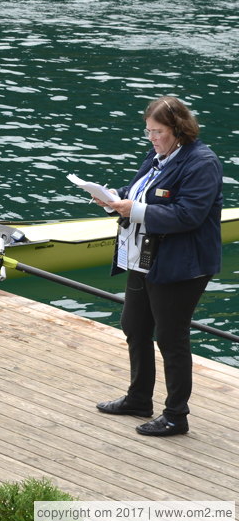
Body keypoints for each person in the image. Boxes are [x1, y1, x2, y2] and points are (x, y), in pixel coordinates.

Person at [92, 96, 223, 437]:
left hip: (183, 264)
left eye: (157, 132)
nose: (151, 138)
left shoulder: (203, 162)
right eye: (148, 131)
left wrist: (131, 209)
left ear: (178, 129)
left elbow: (188, 215)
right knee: (134, 325)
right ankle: (138, 398)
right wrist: (111, 198)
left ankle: (176, 415)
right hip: (144, 257)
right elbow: (139, 192)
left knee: (171, 337)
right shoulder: (158, 155)